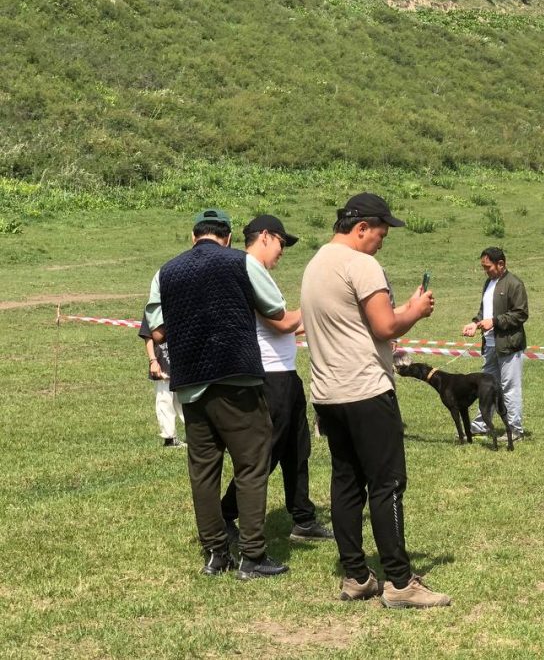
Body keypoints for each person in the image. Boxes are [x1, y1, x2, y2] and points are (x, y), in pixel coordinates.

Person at [301, 192, 450, 608]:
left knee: (346, 484)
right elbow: (385, 327)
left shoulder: (316, 265)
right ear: (361, 227)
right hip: (366, 389)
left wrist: (401, 309)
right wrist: (416, 310)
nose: (382, 242)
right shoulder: (361, 263)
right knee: (387, 485)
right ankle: (401, 583)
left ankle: (356, 576)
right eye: (380, 233)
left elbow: (355, 322)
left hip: (329, 394)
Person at [144, 208, 288, 580]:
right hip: (237, 377)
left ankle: (216, 553)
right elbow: (275, 308)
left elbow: (157, 331)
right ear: (225, 237)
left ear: (193, 237)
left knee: (203, 471)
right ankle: (253, 556)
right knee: (252, 465)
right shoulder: (241, 262)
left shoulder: (166, 271)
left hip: (191, 384)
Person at [220, 215, 333, 544]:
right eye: (281, 243)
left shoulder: (260, 273)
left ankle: (303, 517)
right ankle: (226, 514)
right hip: (270, 377)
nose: (282, 251)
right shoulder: (249, 269)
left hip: (286, 374)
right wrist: (319, 308)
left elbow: (289, 325)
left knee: (297, 450)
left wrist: (318, 319)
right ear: (265, 236)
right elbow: (282, 324)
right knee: (265, 454)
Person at [462, 247, 530, 440]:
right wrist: (475, 324)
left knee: (509, 387)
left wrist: (495, 321)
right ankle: (481, 425)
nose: (486, 271)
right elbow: (483, 312)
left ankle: (515, 429)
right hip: (489, 345)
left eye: (488, 267)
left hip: (509, 345)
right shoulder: (488, 283)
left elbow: (521, 314)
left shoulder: (514, 284)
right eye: (484, 267)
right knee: (486, 387)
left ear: (501, 264)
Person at [137, 314, 185, 448]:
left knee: (186, 401)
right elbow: (148, 336)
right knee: (164, 400)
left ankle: (198, 436)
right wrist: (153, 361)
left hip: (183, 363)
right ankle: (170, 438)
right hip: (162, 362)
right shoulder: (153, 309)